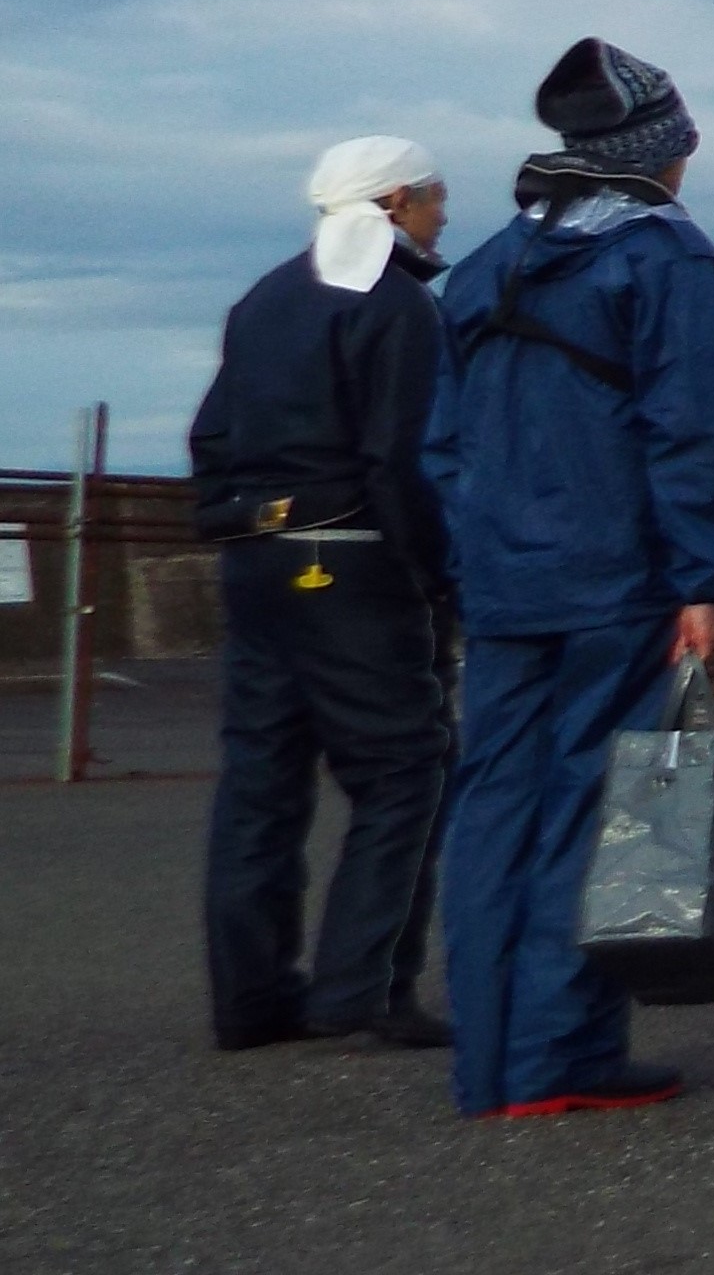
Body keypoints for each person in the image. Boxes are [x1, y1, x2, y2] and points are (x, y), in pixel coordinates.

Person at [421, 40, 714, 1119]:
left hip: (506, 583)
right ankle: (557, 1060)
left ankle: (491, 1063)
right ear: (664, 153)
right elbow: (689, 430)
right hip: (615, 579)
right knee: (598, 807)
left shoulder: (484, 265)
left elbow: (440, 447)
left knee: (491, 812)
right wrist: (704, 581)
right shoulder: (667, 259)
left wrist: (475, 558)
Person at [188, 135, 459, 1054]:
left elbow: (212, 434)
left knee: (260, 780)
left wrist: (230, 516)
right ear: (392, 205)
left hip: (257, 561)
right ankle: (364, 987)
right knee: (402, 771)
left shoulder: (264, 298)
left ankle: (250, 1001)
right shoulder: (397, 306)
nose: (442, 216)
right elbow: (402, 461)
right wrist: (435, 576)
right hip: (350, 561)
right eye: (432, 200)